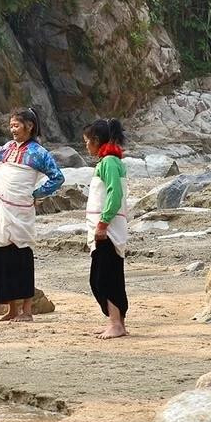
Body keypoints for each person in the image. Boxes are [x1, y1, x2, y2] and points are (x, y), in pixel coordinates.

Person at [0, 108, 65, 322]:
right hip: (0, 209)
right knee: (2, 255)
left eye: (16, 126)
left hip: (20, 210)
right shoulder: (6, 149)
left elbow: (57, 177)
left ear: (29, 126)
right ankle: (11, 310)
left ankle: (27, 310)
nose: (13, 130)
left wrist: (36, 193)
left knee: (21, 257)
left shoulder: (39, 153)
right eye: (11, 126)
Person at [82, 119, 130, 339]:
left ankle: (115, 322)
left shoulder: (109, 162)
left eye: (86, 142)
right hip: (109, 228)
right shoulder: (109, 161)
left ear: (96, 140)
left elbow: (114, 194)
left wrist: (103, 223)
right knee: (111, 275)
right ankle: (117, 322)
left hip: (107, 229)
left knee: (103, 278)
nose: (86, 147)